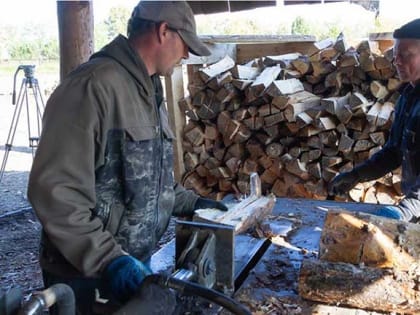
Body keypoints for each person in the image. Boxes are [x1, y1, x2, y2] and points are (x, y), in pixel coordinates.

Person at [27, 1, 227, 314]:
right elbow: (56, 195)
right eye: (185, 44)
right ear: (163, 32)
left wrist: (193, 204)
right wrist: (110, 261)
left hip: (130, 264)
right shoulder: (93, 87)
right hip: (87, 274)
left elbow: (148, 177)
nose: (187, 54)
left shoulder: (148, 89)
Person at [328, 18, 420, 223]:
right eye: (396, 55)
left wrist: (408, 209)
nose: (398, 61)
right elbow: (393, 152)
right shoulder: (408, 96)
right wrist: (356, 175)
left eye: (406, 55)